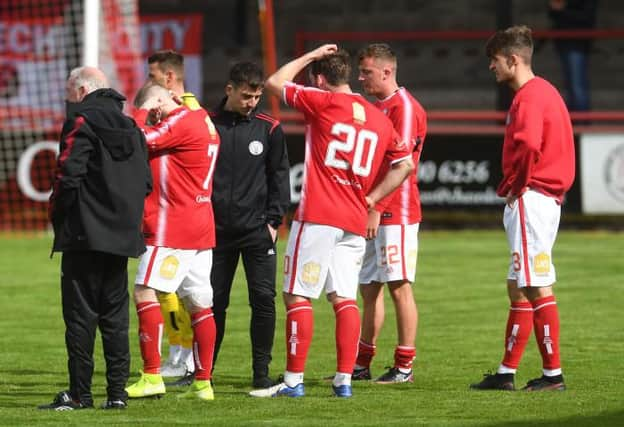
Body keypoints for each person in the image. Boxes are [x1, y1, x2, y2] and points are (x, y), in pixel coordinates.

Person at [249, 45, 414, 399]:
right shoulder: (378, 118)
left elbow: (274, 81)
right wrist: (372, 198)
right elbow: (405, 165)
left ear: (321, 80)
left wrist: (309, 56)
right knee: (344, 299)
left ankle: (293, 381)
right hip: (354, 219)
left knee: (297, 296)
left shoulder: (322, 101)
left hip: (319, 216)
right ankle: (344, 380)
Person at [40, 67, 152, 411]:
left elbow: (67, 174)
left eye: (70, 95)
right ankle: (117, 394)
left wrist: (58, 215)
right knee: (115, 318)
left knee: (80, 317)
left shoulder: (81, 121)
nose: (69, 102)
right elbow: (146, 183)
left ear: (82, 90)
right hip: (121, 238)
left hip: (84, 235)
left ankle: (79, 394)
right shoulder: (132, 127)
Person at [470, 25, 575, 392]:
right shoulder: (546, 92)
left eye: (495, 61)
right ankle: (506, 371)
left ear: (513, 60)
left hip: (533, 198)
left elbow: (529, 145)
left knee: (536, 285)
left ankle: (552, 375)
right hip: (542, 198)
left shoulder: (529, 97)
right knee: (517, 285)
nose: (491, 68)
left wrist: (518, 184)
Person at [124, 83, 220, 401]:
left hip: (172, 227)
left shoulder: (181, 121)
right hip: (200, 227)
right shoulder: (202, 118)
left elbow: (136, 138)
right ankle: (203, 383)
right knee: (199, 304)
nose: (155, 113)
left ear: (167, 97)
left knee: (144, 291)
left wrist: (140, 110)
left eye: (157, 106)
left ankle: (151, 376)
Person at [210, 61, 290, 388]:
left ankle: (260, 373)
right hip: (215, 232)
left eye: (256, 97)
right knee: (212, 302)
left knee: (262, 300)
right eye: (246, 96)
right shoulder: (207, 124)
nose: (252, 102)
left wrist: (273, 221)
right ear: (229, 90)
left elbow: (280, 178)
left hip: (257, 232)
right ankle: (204, 373)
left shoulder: (269, 128)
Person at [353, 43, 427, 383]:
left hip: (395, 211)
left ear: (387, 71)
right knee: (369, 288)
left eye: (366, 71)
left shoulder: (405, 108)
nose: (360, 77)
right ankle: (362, 362)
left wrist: (375, 206)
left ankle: (404, 366)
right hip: (371, 208)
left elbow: (403, 166)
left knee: (399, 285)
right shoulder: (376, 107)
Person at [143, 50, 199, 380]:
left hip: (178, 216)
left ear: (167, 78)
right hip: (170, 212)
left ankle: (183, 355)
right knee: (171, 292)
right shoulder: (183, 110)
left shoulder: (185, 112)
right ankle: (183, 355)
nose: (147, 82)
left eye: (152, 76)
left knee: (168, 290)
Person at [548, 0, 598, 112]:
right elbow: (553, 14)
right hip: (564, 42)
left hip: (577, 43)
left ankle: (582, 124)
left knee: (577, 88)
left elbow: (587, 18)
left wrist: (562, 9)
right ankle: (575, 124)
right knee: (571, 88)